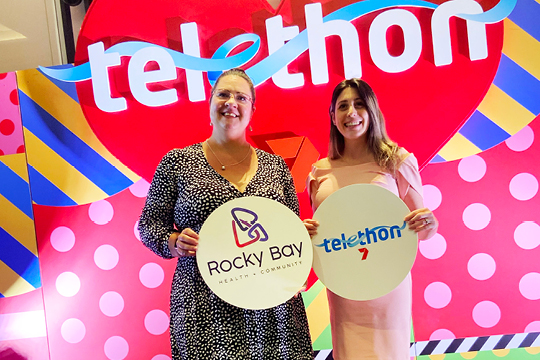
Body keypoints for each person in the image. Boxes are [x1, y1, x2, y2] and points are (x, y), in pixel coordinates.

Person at [138, 68, 313, 360]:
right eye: (223, 94)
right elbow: (148, 225)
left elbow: (289, 232)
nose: (231, 102)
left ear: (252, 110)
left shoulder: (276, 167)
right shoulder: (178, 162)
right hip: (205, 305)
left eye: (241, 97)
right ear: (210, 103)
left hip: (271, 307)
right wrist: (173, 241)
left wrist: (297, 263)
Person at [303, 79, 438, 360]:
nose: (351, 112)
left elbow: (423, 230)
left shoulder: (397, 161)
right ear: (333, 117)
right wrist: (304, 232)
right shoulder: (318, 171)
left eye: (359, 104)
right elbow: (321, 235)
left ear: (372, 110)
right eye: (343, 106)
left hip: (387, 285)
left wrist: (430, 223)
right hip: (344, 289)